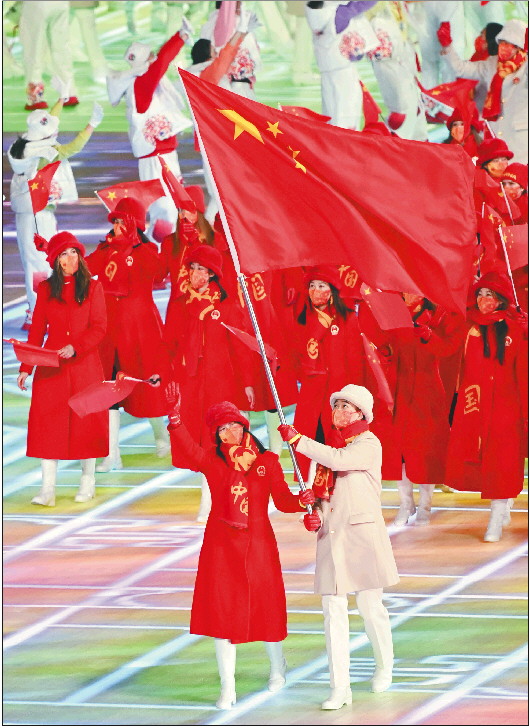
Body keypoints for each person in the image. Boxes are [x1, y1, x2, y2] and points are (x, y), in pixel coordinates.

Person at [166, 388, 314, 709]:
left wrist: (302, 501)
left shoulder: (267, 461)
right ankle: (227, 687)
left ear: (245, 425)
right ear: (216, 435)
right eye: (222, 428)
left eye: (234, 425)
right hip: (221, 548)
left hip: (259, 546)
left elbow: (283, 501)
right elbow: (189, 451)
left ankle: (278, 666)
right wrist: (175, 421)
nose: (230, 431)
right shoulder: (212, 462)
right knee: (222, 614)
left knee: (266, 608)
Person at [278, 384, 399, 709]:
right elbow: (322, 498)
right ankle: (339, 687)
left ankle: (384, 666)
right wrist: (313, 516)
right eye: (337, 406)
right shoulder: (325, 452)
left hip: (363, 537)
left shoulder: (368, 444)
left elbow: (340, 459)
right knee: (333, 613)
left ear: (361, 413)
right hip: (332, 538)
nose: (340, 411)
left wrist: (299, 440)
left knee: (370, 608)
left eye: (347, 406)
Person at [164, 244, 255, 521]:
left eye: (202, 269)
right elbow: (169, 345)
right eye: (192, 268)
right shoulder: (180, 305)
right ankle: (211, 495)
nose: (196, 274)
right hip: (190, 381)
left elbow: (240, 346)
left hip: (220, 381)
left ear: (213, 274)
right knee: (197, 439)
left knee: (219, 439)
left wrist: (248, 382)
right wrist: (167, 376)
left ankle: (213, 499)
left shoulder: (227, 306)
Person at [17, 231, 108, 506]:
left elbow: (99, 328)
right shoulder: (46, 289)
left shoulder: (93, 288)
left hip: (85, 365)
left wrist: (76, 347)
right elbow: (37, 331)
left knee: (86, 422)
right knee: (48, 423)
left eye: (75, 252)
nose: (71, 258)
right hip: (52, 365)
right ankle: (47, 490)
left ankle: (87, 482)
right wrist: (26, 367)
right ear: (56, 261)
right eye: (65, 254)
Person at [85, 197, 172, 471]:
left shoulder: (146, 250)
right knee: (109, 385)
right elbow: (85, 268)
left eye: (123, 221)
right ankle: (112, 454)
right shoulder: (106, 249)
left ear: (135, 224)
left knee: (146, 386)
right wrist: (54, 253)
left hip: (140, 329)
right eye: (116, 221)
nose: (117, 226)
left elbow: (159, 274)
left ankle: (161, 435)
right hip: (109, 329)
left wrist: (136, 245)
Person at [444, 272, 528, 542]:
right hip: (475, 407)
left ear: (501, 299)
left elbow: (523, 373)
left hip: (506, 408)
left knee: (503, 463)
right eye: (479, 294)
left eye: (489, 294)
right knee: (481, 462)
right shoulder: (469, 327)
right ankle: (502, 507)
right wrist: (425, 336)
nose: (483, 300)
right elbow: (446, 351)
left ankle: (496, 516)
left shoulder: (515, 328)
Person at [8, 97, 104, 330]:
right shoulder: (46, 151)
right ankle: (40, 315)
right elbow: (74, 147)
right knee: (43, 264)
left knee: (32, 263)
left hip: (26, 214)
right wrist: (91, 124)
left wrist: (61, 99)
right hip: (40, 216)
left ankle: (35, 312)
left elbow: (48, 121)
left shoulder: (23, 146)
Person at [106, 21, 193, 242]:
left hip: (163, 157)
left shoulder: (143, 85)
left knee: (170, 213)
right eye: (151, 55)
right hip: (157, 160)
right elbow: (163, 61)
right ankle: (157, 254)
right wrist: (180, 37)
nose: (155, 58)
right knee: (165, 214)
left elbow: (160, 62)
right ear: (146, 62)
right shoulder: (141, 85)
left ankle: (161, 254)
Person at [291, 265, 370, 481]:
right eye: (312, 285)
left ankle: (335, 491)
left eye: (322, 286)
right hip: (311, 394)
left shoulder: (347, 318)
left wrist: (353, 397)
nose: (316, 290)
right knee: (309, 442)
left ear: (332, 289)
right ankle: (310, 492)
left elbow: (355, 360)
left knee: (337, 443)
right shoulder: (302, 319)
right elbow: (296, 355)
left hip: (339, 395)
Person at [438, 18, 528, 163]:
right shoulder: (492, 63)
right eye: (501, 42)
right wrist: (447, 46)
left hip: (521, 137)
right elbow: (460, 68)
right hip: (495, 132)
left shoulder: (525, 67)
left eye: (508, 43)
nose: (503, 47)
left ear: (519, 46)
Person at [305, 0, 378, 129]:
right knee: (347, 115)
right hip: (342, 73)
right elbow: (363, 4)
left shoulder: (316, 13)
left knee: (332, 114)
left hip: (328, 71)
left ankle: (335, 139)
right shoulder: (339, 14)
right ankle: (345, 140)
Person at [18, 0, 78, 109]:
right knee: (61, 48)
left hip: (36, 4)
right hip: (61, 4)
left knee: (34, 48)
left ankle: (36, 97)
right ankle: (69, 92)